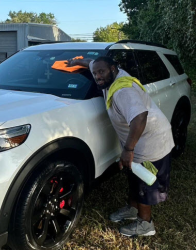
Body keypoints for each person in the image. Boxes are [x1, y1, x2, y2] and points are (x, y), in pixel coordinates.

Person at [67, 56, 174, 237]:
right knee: (132, 175)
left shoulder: (123, 91)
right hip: (137, 140)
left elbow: (140, 117)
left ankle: (146, 224)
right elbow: (91, 62)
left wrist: (128, 149)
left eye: (102, 72)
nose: (98, 77)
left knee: (143, 183)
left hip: (151, 141)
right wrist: (76, 62)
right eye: (95, 74)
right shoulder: (104, 70)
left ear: (114, 69)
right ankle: (133, 209)